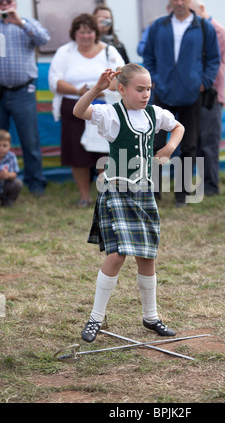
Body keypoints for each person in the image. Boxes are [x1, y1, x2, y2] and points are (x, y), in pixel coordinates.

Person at [73, 65, 184, 342]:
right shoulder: (111, 114)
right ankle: (95, 319)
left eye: (148, 89)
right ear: (121, 89)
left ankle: (151, 317)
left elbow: (178, 126)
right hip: (117, 190)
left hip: (144, 192)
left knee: (147, 255)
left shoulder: (155, 114)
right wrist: (97, 89)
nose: (146, 94)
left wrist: (169, 147)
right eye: (139, 89)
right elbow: (79, 111)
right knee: (118, 254)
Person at [143, 0, 220, 206]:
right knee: (155, 143)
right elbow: (148, 57)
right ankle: (154, 193)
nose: (179, 2)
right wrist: (154, 79)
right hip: (162, 94)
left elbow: (214, 59)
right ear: (170, 1)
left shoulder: (204, 27)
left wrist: (203, 83)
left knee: (188, 145)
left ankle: (182, 194)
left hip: (191, 95)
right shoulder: (158, 26)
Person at [48, 13, 124, 207]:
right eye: (81, 32)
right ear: (75, 33)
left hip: (104, 110)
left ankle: (106, 195)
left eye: (89, 31)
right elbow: (54, 81)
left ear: (95, 32)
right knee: (77, 154)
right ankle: (84, 196)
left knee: (106, 154)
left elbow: (122, 77)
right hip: (74, 109)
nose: (85, 35)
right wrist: (79, 91)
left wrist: (101, 89)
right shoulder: (65, 52)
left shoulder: (109, 51)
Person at [0, 0, 50, 196]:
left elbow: (44, 39)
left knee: (30, 141)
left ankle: (35, 183)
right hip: (1, 92)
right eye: (0, 1)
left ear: (15, 3)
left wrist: (20, 22)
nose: (4, 3)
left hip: (23, 92)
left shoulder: (27, 23)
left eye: (7, 0)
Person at [190, 0, 225, 196]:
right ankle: (196, 185)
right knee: (193, 142)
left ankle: (211, 187)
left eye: (191, 11)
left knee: (208, 143)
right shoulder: (196, 29)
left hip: (210, 96)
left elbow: (211, 64)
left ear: (202, 9)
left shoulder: (216, 30)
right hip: (194, 95)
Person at [0, 129, 23, 207]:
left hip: (5, 186)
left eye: (4, 145)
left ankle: (8, 201)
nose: (1, 148)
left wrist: (8, 175)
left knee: (18, 183)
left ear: (10, 145)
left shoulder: (11, 156)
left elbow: (14, 174)